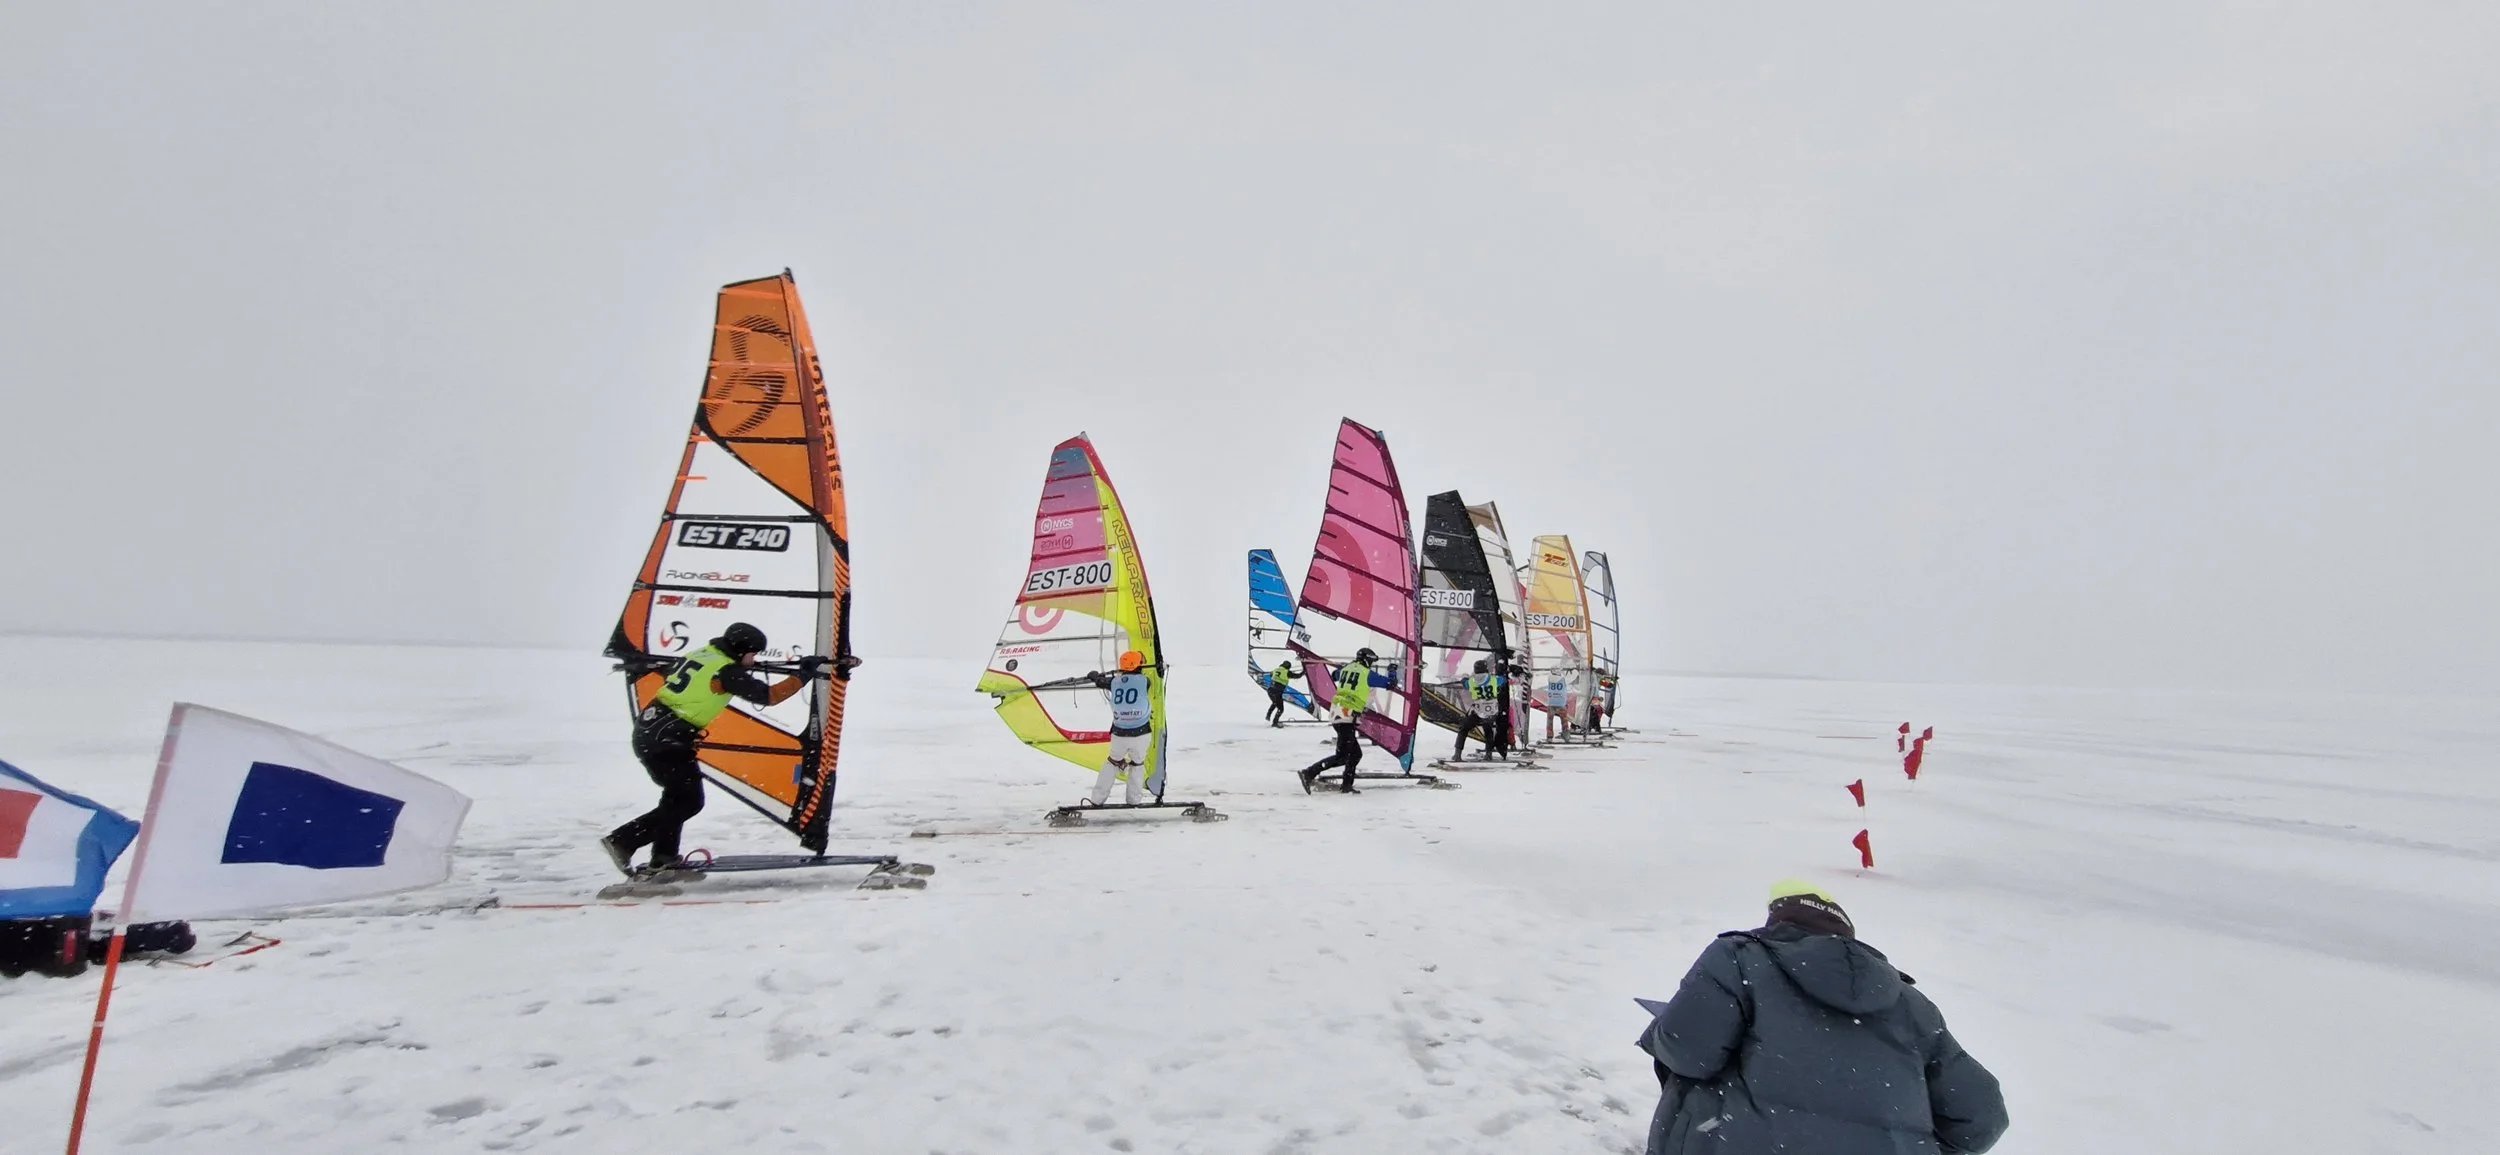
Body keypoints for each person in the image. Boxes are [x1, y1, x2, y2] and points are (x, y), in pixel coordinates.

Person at [1635, 880, 2009, 1154]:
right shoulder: (1910, 1004)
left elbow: (1689, 1051)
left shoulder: (1740, 957)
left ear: (1777, 921)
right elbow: (1980, 1117)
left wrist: (1658, 1033)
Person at [601, 623, 836, 877]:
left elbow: (711, 676)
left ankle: (664, 857)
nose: (754, 658)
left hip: (651, 730)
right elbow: (769, 696)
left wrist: (750, 668)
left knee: (677, 797)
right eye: (753, 654)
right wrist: (803, 675)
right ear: (740, 650)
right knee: (689, 801)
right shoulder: (727, 672)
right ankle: (622, 841)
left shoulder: (704, 654)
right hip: (667, 738)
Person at [1298, 647, 1393, 794]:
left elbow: (1334, 675)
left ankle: (1346, 785)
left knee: (1355, 754)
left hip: (1338, 712)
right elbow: (1390, 684)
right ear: (1367, 660)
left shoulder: (1347, 669)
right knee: (1343, 756)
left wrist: (1345, 667)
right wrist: (1392, 671)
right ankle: (1309, 773)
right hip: (1347, 716)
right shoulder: (1366, 673)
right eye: (1371, 661)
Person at [1083, 649, 1157, 806]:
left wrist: (1095, 676)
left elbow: (1100, 681)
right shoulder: (1145, 681)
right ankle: (1133, 800)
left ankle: (1096, 800)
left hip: (1119, 734)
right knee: (1137, 764)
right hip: (1141, 733)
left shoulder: (1114, 682)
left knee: (1112, 763)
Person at [1452, 659, 1501, 760]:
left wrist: (1465, 678)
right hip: (1491, 711)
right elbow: (1503, 680)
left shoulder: (1472, 681)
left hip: (1478, 712)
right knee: (1488, 730)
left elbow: (1465, 684)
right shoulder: (1494, 679)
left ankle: (1457, 754)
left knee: (1463, 730)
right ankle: (1488, 754)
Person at [1263, 659, 1298, 726]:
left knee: (1275, 703)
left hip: (1270, 690)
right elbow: (1297, 676)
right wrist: (1304, 672)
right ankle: (1275, 723)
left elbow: (1271, 675)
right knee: (1280, 709)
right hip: (1277, 692)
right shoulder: (1287, 672)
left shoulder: (1276, 669)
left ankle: (1268, 715)